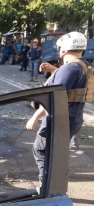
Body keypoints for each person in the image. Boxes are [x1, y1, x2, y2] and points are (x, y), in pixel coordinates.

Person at [26, 32, 92, 182]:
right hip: (73, 118)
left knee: (41, 150)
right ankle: (55, 182)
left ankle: (48, 185)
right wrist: (53, 70)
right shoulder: (84, 66)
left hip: (59, 119)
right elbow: (71, 86)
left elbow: (54, 97)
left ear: (63, 50)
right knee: (56, 153)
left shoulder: (68, 69)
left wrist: (35, 117)